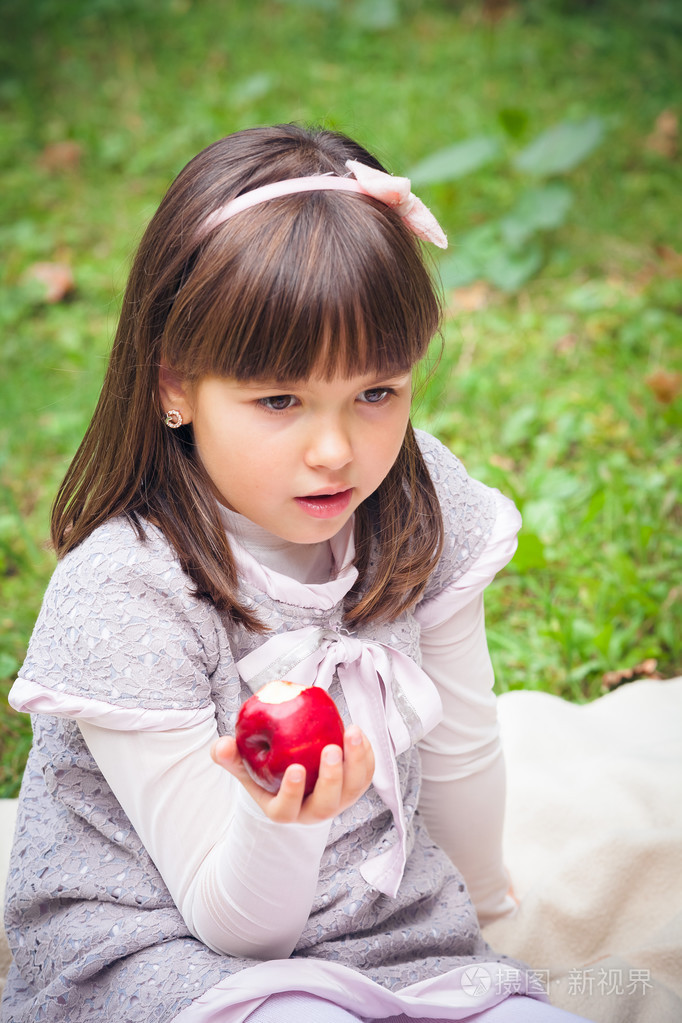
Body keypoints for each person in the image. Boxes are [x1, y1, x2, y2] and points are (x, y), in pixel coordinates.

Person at [2, 124, 593, 1023]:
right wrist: (290, 817)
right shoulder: (128, 592)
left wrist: (482, 917)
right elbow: (234, 926)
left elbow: (463, 741)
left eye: (376, 392)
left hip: (382, 925)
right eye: (279, 400)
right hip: (168, 946)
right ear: (174, 387)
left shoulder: (417, 503)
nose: (335, 450)